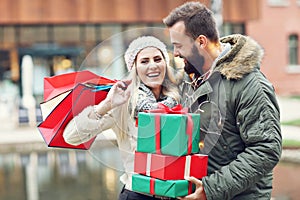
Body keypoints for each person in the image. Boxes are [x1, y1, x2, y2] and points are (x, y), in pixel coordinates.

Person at [163, 2, 282, 200]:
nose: (175, 53)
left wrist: (210, 190)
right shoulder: (191, 77)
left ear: (201, 42)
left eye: (178, 46)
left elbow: (266, 149)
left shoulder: (251, 84)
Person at [63, 36, 183, 200]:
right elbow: (71, 137)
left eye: (157, 59)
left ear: (165, 63)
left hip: (177, 193)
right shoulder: (125, 102)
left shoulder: (179, 99)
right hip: (139, 195)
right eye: (144, 61)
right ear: (134, 68)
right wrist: (106, 104)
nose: (153, 65)